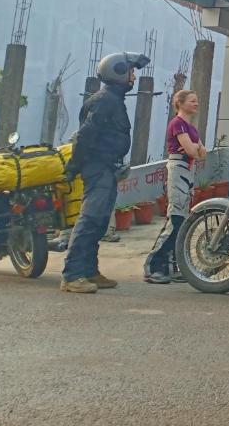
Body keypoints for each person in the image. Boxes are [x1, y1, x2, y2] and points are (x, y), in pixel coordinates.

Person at [60, 51, 149, 294]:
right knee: (90, 219)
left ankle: (89, 270)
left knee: (99, 221)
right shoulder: (104, 100)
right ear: (117, 71)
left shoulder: (113, 99)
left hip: (107, 167)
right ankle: (73, 275)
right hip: (97, 166)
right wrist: (73, 168)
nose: (133, 76)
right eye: (130, 71)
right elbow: (85, 136)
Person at [143, 90, 207, 284]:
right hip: (179, 167)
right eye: (192, 101)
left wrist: (196, 149)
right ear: (180, 103)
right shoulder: (177, 124)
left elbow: (202, 153)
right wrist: (195, 149)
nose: (196, 103)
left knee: (181, 219)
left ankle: (170, 266)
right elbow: (192, 150)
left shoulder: (191, 128)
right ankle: (154, 265)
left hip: (188, 170)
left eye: (197, 100)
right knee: (176, 218)